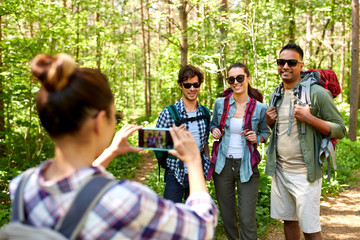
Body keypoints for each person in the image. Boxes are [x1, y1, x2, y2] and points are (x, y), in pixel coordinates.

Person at [8, 53, 218, 239]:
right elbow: (202, 226)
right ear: (100, 121)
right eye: (115, 116)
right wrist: (193, 160)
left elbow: (76, 184)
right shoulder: (127, 201)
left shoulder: (22, 186)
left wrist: (110, 153)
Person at [265, 43, 346, 240]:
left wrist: (310, 119)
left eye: (291, 62)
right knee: (289, 220)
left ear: (301, 65)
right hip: (281, 170)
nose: (285, 66)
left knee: (310, 228)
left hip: (306, 173)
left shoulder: (317, 94)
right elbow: (280, 131)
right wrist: (269, 122)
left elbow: (340, 129)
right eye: (281, 62)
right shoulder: (275, 94)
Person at [210, 63, 269, 240]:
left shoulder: (259, 108)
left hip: (247, 166)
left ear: (248, 79)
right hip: (223, 166)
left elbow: (266, 133)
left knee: (246, 218)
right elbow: (213, 124)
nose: (236, 82)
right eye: (231, 79)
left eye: (240, 78)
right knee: (228, 217)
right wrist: (214, 131)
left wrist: (257, 138)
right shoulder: (220, 104)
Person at [156, 65, 210, 203]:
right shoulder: (168, 113)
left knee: (196, 214)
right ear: (180, 86)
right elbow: (157, 146)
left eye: (196, 84)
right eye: (187, 85)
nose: (192, 89)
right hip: (175, 172)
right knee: (170, 214)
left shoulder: (205, 113)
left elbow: (205, 143)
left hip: (198, 172)